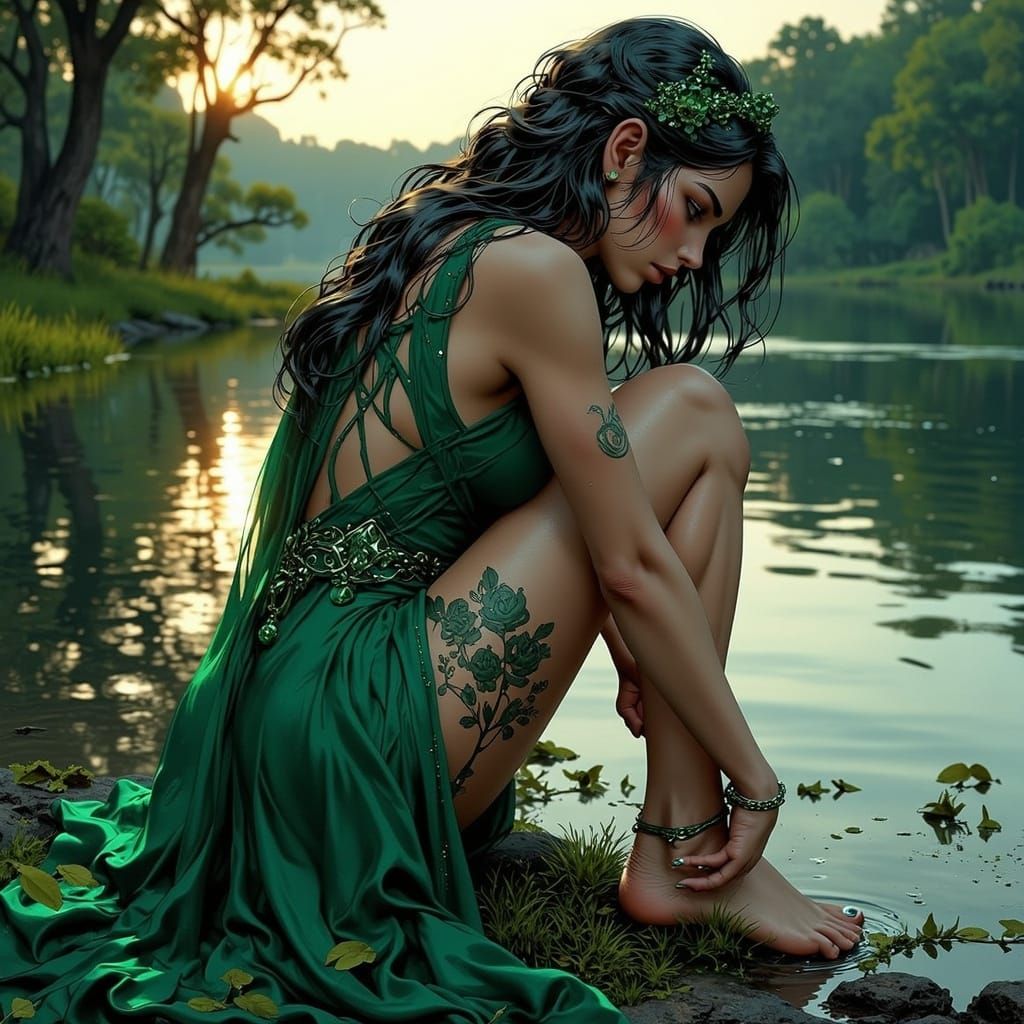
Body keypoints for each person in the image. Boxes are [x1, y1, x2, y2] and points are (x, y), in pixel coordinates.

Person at [0, 15, 865, 1023]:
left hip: (305, 710)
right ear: (625, 150)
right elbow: (626, 562)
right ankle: (687, 840)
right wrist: (754, 781)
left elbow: (594, 526)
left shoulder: (463, 237)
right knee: (698, 413)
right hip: (350, 728)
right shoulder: (534, 272)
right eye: (693, 210)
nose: (694, 253)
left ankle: (678, 840)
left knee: (693, 444)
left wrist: (646, 655)